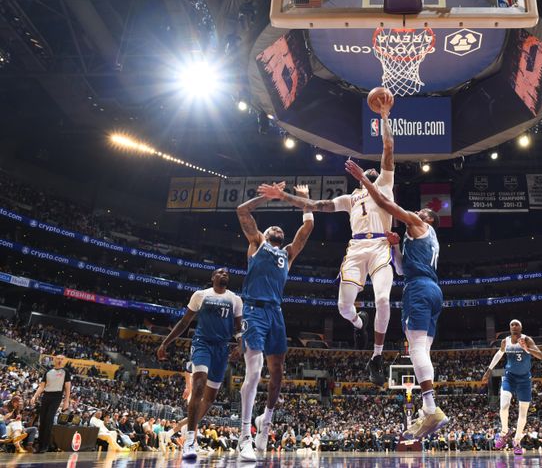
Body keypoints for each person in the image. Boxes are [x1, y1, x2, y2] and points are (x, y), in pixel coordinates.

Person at [259, 93, 396, 385]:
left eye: (372, 171)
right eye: (365, 173)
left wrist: (384, 116)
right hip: (357, 248)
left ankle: (377, 355)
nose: (370, 173)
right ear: (359, 179)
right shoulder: (349, 198)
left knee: (383, 299)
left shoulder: (385, 184)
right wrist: (284, 195)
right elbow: (316, 207)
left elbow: (387, 147)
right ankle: (360, 323)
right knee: (344, 308)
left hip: (381, 245)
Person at [344, 158, 448, 438]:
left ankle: (430, 408)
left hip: (419, 290)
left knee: (414, 349)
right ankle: (428, 409)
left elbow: (388, 206)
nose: (416, 211)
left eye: (421, 211)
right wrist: (394, 248)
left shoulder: (417, 223)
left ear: (427, 218)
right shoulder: (426, 238)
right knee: (422, 351)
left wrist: (364, 181)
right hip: (432, 290)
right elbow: (400, 269)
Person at [235, 184, 314, 461]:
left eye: (279, 230)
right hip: (254, 310)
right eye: (273, 228)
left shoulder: (287, 254)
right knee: (254, 371)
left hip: (276, 313)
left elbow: (307, 229)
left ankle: (264, 422)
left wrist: (304, 200)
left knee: (277, 372)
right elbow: (242, 211)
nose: (277, 229)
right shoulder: (256, 244)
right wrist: (266, 197)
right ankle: (244, 436)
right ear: (266, 234)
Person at [157, 267, 243, 460]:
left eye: (227, 273)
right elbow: (184, 322)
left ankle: (188, 428)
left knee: (210, 399)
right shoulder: (200, 295)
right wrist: (165, 342)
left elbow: (239, 328)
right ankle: (189, 441)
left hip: (221, 349)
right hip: (202, 344)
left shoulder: (235, 299)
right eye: (220, 273)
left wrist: (241, 344)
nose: (224, 275)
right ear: (213, 277)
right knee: (198, 386)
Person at [482, 319, 542, 455]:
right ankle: (504, 432)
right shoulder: (505, 341)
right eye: (512, 325)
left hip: (524, 379)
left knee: (523, 412)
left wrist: (526, 348)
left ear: (521, 327)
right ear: (510, 328)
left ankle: (516, 441)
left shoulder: (527, 339)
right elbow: (499, 354)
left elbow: (541, 355)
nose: (514, 326)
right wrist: (488, 370)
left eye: (516, 324)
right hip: (509, 377)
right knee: (503, 406)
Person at [30, 354, 71, 453]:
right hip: (46, 396)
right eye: (58, 358)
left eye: (62, 359)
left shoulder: (66, 372)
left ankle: (45, 446)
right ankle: (39, 445)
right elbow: (42, 386)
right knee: (42, 420)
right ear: (54, 360)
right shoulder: (48, 372)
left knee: (49, 419)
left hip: (56, 397)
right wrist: (35, 396)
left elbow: (67, 388)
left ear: (64, 360)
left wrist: (66, 401)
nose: (60, 360)